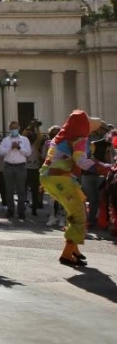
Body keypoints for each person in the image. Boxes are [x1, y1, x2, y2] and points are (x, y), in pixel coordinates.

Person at [40, 110, 110, 267]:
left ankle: (75, 250)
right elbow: (82, 162)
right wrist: (107, 168)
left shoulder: (59, 139)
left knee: (74, 212)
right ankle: (66, 254)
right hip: (63, 179)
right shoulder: (79, 139)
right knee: (79, 216)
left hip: (47, 178)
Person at [0, 120, 32, 219]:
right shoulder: (5, 140)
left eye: (15, 128)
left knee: (21, 190)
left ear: (19, 128)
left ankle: (21, 211)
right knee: (9, 190)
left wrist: (19, 147)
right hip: (8, 166)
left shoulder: (24, 139)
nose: (14, 130)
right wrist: (10, 148)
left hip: (20, 166)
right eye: (12, 128)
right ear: (9, 129)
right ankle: (10, 210)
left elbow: (28, 153)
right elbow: (0, 152)